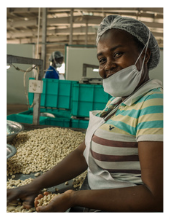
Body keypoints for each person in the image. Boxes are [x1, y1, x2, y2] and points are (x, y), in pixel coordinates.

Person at [7, 15, 163, 212]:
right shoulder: (117, 100)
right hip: (91, 197)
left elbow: (156, 196)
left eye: (118, 54)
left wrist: (73, 198)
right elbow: (84, 152)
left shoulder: (154, 104)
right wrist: (35, 184)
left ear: (145, 55)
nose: (108, 65)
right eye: (102, 59)